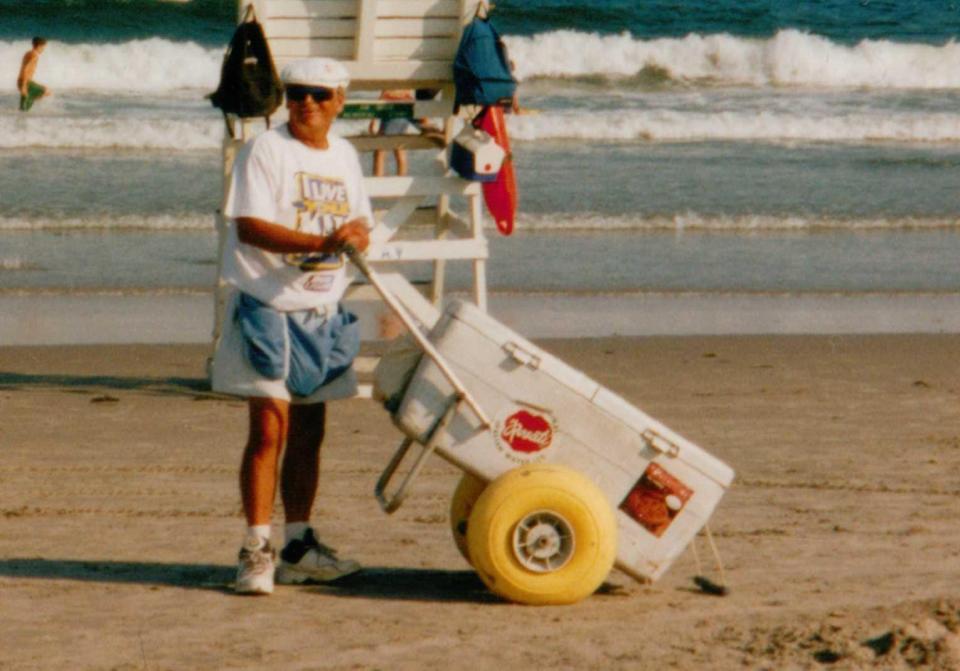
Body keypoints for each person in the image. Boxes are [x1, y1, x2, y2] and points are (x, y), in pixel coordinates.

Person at [211, 57, 373, 595]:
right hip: (267, 305)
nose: (307, 102)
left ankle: (299, 544)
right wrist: (320, 244)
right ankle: (257, 549)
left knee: (310, 431)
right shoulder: (265, 150)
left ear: (339, 101)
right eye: (297, 92)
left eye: (320, 94)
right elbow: (250, 227)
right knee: (268, 431)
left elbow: (360, 221)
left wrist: (357, 236)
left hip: (322, 309)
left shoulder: (346, 156)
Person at [17, 37, 51, 112]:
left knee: (24, 109)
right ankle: (28, 100)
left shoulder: (28, 53)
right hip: (25, 82)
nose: (43, 50)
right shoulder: (34, 56)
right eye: (43, 48)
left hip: (22, 81)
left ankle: (26, 103)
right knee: (46, 91)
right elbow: (26, 69)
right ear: (39, 46)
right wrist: (24, 85)